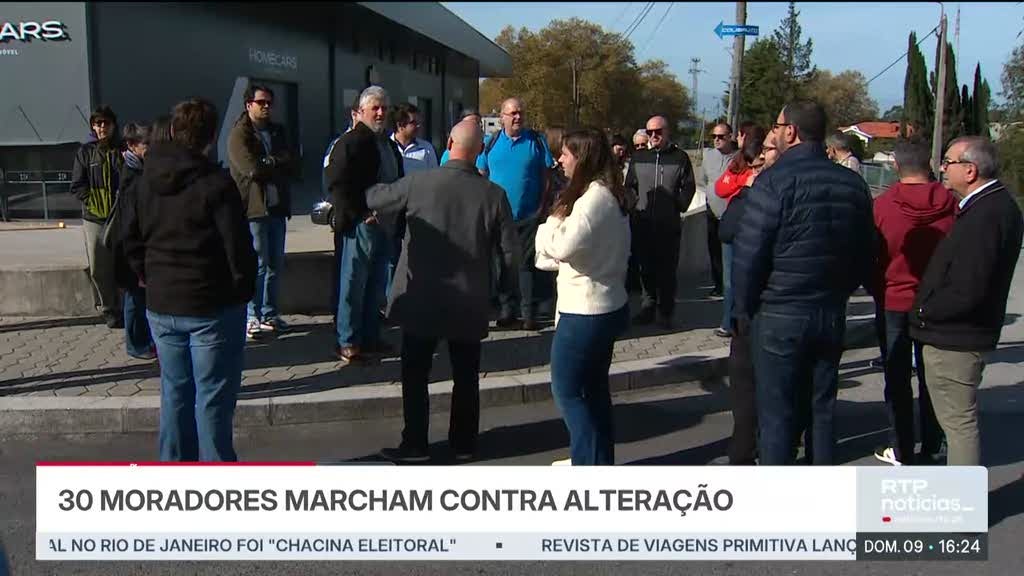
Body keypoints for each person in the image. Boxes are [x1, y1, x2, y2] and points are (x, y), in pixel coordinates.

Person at [732, 100, 874, 466]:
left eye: (777, 126)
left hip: (779, 313)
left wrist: (744, 310)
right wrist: (840, 291)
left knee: (777, 414)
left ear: (791, 132)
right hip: (829, 312)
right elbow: (866, 252)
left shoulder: (773, 182)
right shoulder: (852, 184)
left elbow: (749, 255)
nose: (773, 132)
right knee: (822, 410)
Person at [368, 119, 519, 463]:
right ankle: (464, 443)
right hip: (469, 300)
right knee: (466, 375)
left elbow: (378, 198)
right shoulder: (494, 195)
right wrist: (508, 295)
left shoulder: (419, 182)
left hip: (421, 296)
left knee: (415, 374)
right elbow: (510, 253)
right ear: (480, 150)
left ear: (449, 142)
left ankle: (416, 444)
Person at [126, 98, 257, 461]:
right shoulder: (216, 184)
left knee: (175, 391)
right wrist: (243, 292)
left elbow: (128, 237)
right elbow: (239, 249)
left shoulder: (145, 180)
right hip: (210, 305)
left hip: (162, 301)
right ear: (211, 136)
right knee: (212, 396)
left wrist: (144, 275)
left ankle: (174, 472)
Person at [910, 136, 1023, 466]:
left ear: (970, 170)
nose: (942, 169)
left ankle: (960, 506)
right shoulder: (988, 206)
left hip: (956, 338)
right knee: (958, 422)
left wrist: (923, 312)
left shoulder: (988, 214)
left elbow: (969, 288)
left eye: (948, 162)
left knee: (958, 425)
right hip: (960, 333)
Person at [536, 128, 631, 465]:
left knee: (569, 393)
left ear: (583, 157)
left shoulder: (593, 201)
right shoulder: (609, 195)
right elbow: (555, 255)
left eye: (565, 153)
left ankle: (587, 467)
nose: (560, 160)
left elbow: (559, 247)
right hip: (605, 305)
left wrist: (549, 225)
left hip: (586, 312)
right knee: (593, 392)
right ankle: (598, 462)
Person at [871, 139, 953, 467]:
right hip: (937, 302)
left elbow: (873, 255)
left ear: (895, 166)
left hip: (893, 299)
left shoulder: (883, 206)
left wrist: (879, 289)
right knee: (933, 377)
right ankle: (933, 443)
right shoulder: (952, 205)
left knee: (897, 377)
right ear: (929, 165)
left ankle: (901, 447)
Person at [718, 133, 775, 465]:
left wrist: (749, 189)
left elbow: (728, 230)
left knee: (748, 387)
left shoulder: (759, 194)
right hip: (803, 307)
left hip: (761, 307)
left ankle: (745, 455)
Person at [324, 86, 391, 363]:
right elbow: (335, 183)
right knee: (353, 284)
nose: (380, 113)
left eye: (384, 108)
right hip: (359, 225)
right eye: (374, 108)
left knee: (375, 285)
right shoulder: (350, 142)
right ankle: (348, 342)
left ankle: (370, 337)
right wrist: (359, 214)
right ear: (359, 112)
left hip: (383, 222)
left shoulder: (382, 142)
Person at [477, 97, 553, 331]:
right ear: (502, 117)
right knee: (501, 265)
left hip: (529, 215)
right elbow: (481, 173)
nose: (517, 117)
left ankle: (528, 314)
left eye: (520, 112)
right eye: (512, 113)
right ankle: (506, 311)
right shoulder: (490, 143)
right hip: (499, 218)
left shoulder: (537, 142)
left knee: (526, 266)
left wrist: (542, 207)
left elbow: (547, 177)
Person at [227, 84, 296, 340]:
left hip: (277, 207)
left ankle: (269, 313)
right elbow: (252, 169)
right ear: (248, 105)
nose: (266, 107)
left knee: (276, 264)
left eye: (269, 103)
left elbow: (293, 161)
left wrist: (274, 162)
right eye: (260, 102)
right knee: (258, 264)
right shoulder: (239, 134)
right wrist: (275, 162)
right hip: (254, 209)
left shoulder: (277, 132)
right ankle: (251, 315)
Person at [625, 115, 697, 328]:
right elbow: (629, 185)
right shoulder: (639, 158)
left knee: (666, 271)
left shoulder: (680, 157)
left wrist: (677, 205)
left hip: (669, 225)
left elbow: (689, 186)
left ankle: (665, 312)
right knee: (645, 269)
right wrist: (633, 204)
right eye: (650, 132)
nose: (654, 136)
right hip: (643, 222)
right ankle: (647, 308)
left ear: (667, 132)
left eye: (658, 132)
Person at [71, 105, 124, 328]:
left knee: (123, 264)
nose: (101, 127)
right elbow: (77, 185)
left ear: (113, 125)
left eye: (105, 123)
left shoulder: (121, 149)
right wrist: (92, 201)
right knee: (98, 265)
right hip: (93, 217)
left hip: (120, 215)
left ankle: (127, 307)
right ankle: (109, 308)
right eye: (97, 123)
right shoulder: (85, 152)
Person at [713, 131, 764, 339]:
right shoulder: (738, 166)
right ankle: (728, 323)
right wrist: (743, 184)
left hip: (755, 231)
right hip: (734, 229)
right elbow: (720, 188)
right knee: (730, 282)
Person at [114, 122, 155, 360]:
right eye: (146, 144)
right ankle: (136, 344)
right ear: (131, 145)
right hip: (132, 251)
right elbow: (129, 226)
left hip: (138, 248)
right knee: (135, 299)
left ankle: (142, 340)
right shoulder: (131, 176)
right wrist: (137, 261)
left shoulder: (140, 169)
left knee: (139, 299)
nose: (150, 148)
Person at [701, 123, 737, 299]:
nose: (716, 140)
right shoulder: (707, 156)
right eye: (714, 136)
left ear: (730, 137)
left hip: (732, 213)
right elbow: (704, 180)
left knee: (730, 254)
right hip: (711, 212)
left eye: (721, 136)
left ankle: (731, 288)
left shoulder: (738, 157)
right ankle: (718, 286)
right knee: (714, 250)